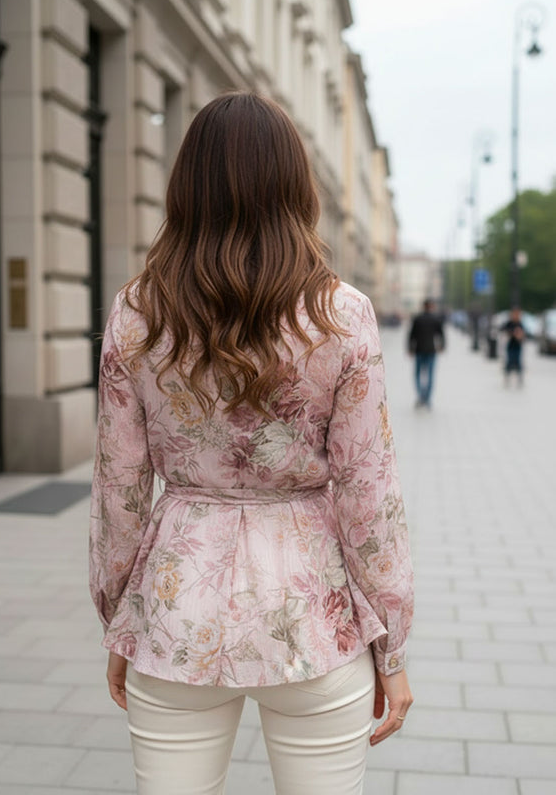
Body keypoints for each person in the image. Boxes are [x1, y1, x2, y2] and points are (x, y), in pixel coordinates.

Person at [89, 92, 414, 795]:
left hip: (176, 609)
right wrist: (390, 644)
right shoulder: (341, 314)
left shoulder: (139, 312)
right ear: (295, 187)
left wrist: (119, 616)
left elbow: (118, 487)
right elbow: (370, 493)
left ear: (186, 187)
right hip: (312, 617)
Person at [408, 298, 445, 408]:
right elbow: (441, 334)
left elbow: (411, 335)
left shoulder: (417, 319)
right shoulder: (436, 319)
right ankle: (427, 398)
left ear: (423, 306)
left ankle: (420, 396)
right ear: (432, 307)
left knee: (418, 375)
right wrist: (442, 346)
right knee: (430, 375)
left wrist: (410, 348)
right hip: (431, 350)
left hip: (419, 350)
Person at [500, 307, 525, 385]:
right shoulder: (509, 323)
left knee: (518, 362)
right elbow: (502, 329)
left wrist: (520, 335)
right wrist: (512, 333)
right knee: (509, 361)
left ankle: (519, 378)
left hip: (518, 346)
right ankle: (507, 376)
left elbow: (523, 334)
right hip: (510, 345)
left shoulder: (520, 323)